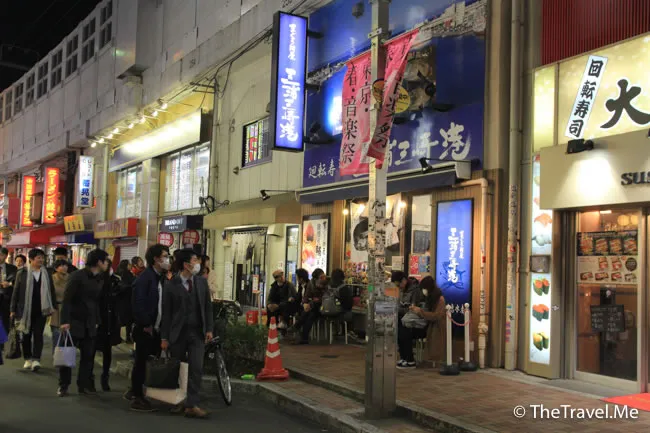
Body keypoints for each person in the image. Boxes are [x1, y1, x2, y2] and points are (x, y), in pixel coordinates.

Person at [160, 248, 214, 419]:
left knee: (196, 368)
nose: (197, 264)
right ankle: (178, 401)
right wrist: (164, 337)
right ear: (186, 265)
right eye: (194, 260)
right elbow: (166, 314)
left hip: (197, 332)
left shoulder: (201, 282)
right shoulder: (171, 285)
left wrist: (209, 329)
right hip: (178, 333)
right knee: (177, 369)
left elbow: (207, 307)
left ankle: (192, 404)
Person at [58, 249, 109, 396]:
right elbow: (67, 299)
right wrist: (65, 321)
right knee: (67, 355)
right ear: (99, 262)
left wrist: (97, 320)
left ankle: (83, 384)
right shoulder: (77, 276)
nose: (107, 263)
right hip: (74, 321)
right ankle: (63, 385)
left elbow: (97, 301)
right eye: (106, 260)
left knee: (88, 356)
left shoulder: (100, 278)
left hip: (91, 322)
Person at [127, 244, 170, 412]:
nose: (167, 259)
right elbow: (138, 303)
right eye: (165, 256)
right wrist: (145, 324)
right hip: (145, 329)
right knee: (141, 363)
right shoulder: (145, 278)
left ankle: (136, 391)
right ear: (156, 259)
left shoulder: (160, 277)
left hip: (155, 328)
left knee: (147, 361)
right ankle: (137, 397)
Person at [10, 248, 56, 372]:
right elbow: (16, 292)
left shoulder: (46, 273)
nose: (41, 260)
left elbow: (51, 290)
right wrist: (12, 309)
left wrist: (53, 307)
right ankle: (27, 358)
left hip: (42, 309)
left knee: (38, 334)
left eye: (42, 258)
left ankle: (36, 359)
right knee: (26, 334)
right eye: (38, 258)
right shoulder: (22, 273)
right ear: (31, 259)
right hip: (25, 309)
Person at [397, 276, 445, 369]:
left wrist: (420, 311)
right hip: (423, 324)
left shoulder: (440, 300)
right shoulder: (428, 298)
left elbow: (436, 316)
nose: (423, 291)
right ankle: (404, 357)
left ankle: (410, 360)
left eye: (424, 288)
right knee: (401, 330)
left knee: (406, 333)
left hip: (431, 328)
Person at [95, 258, 122, 391]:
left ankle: (105, 378)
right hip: (96, 320)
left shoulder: (116, 280)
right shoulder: (95, 279)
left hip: (110, 321)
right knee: (91, 350)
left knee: (107, 350)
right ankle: (88, 379)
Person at [295, 268, 327, 344]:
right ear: (316, 279)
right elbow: (306, 296)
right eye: (321, 277)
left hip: (324, 308)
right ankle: (304, 338)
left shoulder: (327, 284)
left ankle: (297, 326)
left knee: (311, 309)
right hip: (313, 308)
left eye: (324, 276)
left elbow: (327, 298)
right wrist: (305, 303)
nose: (323, 278)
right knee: (310, 313)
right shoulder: (311, 284)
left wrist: (315, 300)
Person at [50, 259, 69, 354]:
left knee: (66, 336)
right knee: (56, 335)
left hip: (67, 309)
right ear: (56, 268)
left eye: (65, 265)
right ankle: (56, 356)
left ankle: (65, 357)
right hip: (55, 309)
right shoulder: (52, 279)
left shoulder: (71, 278)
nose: (64, 267)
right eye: (61, 265)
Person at [0, 247, 17, 350]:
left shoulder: (12, 268)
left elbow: (16, 283)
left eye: (1, 255)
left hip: (6, 298)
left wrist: (9, 284)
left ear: (6, 256)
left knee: (5, 321)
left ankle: (3, 343)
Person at [115, 260, 135, 343]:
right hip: (124, 300)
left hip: (125, 300)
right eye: (129, 264)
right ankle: (123, 337)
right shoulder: (122, 275)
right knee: (125, 320)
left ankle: (123, 336)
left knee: (125, 320)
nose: (130, 265)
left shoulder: (128, 274)